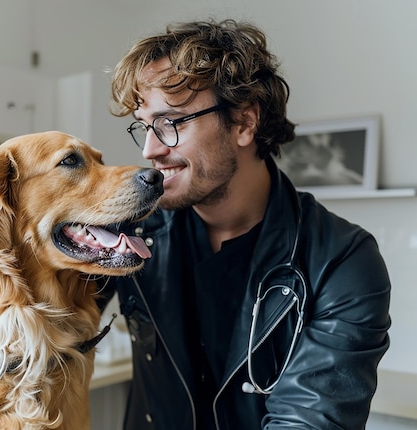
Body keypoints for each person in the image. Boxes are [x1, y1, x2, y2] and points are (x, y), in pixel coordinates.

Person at [98, 19, 391, 429]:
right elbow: (43, 320)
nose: (150, 150)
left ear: (244, 123)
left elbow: (309, 421)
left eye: (171, 123)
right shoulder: (132, 229)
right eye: (145, 126)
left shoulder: (342, 259)